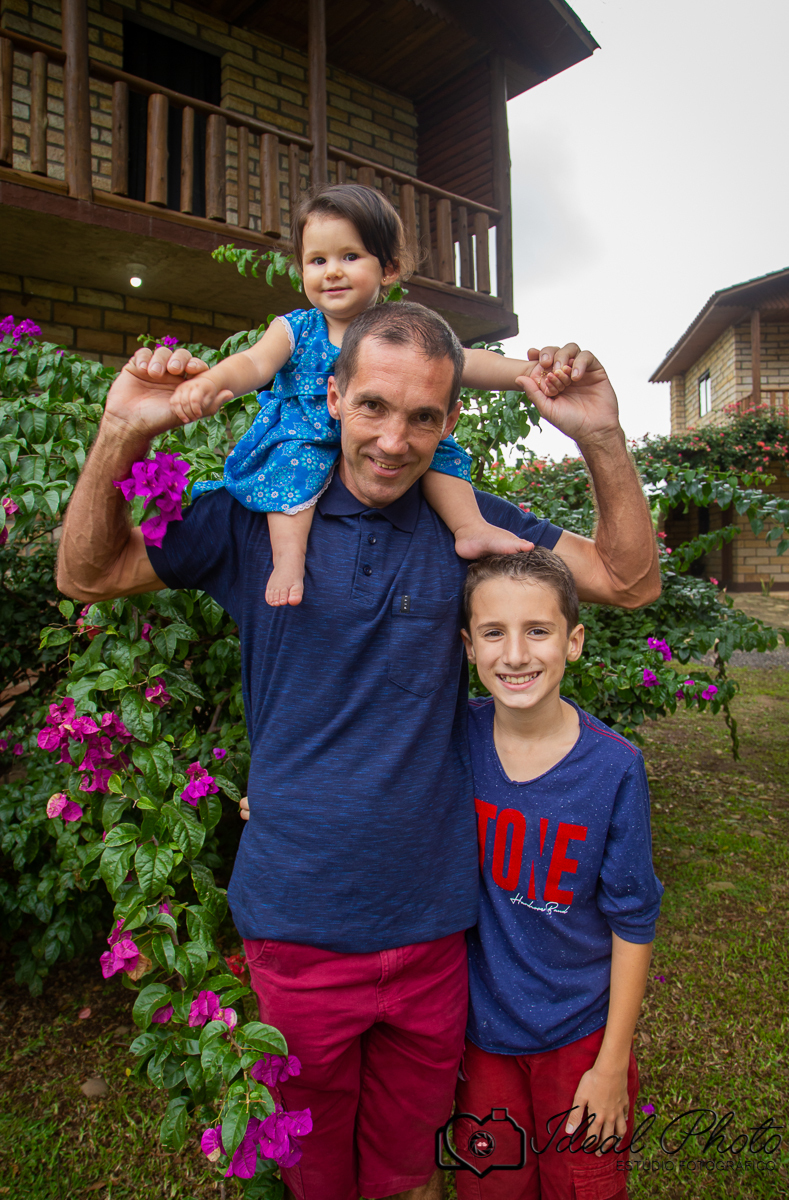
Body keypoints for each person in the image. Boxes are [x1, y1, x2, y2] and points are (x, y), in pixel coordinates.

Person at [57, 300, 660, 1200]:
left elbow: (625, 580)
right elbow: (89, 573)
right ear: (331, 395)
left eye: (422, 416)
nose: (393, 439)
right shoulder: (257, 514)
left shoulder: (468, 530)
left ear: (449, 421)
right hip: (297, 929)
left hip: (433, 934)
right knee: (312, 1173)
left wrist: (602, 438)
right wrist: (119, 435)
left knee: (407, 1170)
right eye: (373, 406)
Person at [167, 184, 567, 607]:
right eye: (317, 260)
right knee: (289, 468)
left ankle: (469, 526)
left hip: (375, 438)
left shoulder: (401, 331)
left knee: (441, 455)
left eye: (350, 256)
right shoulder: (296, 329)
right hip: (304, 432)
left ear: (389, 268)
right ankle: (288, 559)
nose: (332, 271)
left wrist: (527, 373)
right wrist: (212, 382)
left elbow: (465, 361)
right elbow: (253, 364)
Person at [446, 548, 662, 1200]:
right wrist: (291, 798)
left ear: (572, 642)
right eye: (493, 632)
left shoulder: (613, 769)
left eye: (537, 631)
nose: (515, 654)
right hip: (481, 1036)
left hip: (580, 1037)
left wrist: (610, 1064)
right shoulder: (451, 740)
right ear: (466, 645)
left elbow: (633, 921)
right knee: (493, 1188)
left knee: (583, 1187)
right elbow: (373, 773)